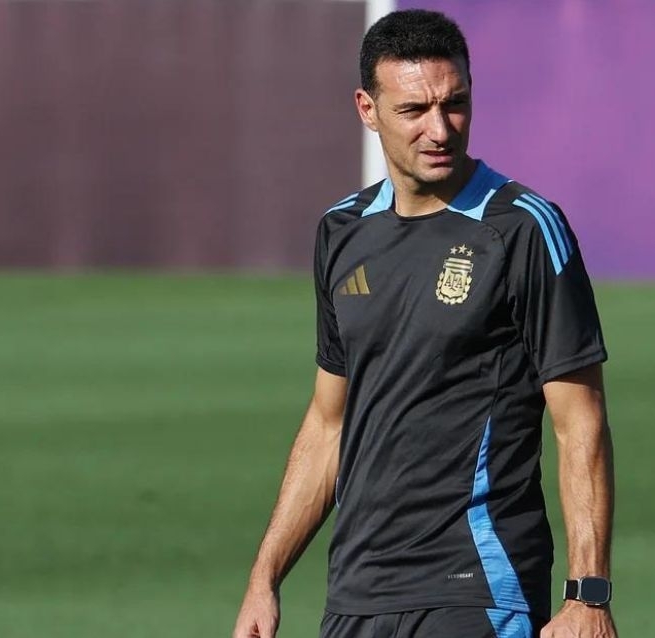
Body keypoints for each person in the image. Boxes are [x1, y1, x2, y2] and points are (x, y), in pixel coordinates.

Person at [233, 9, 617, 638]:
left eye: (455, 104)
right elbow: (330, 423)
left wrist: (588, 595)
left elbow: (581, 421)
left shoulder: (522, 228)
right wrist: (264, 577)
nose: (439, 129)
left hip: (477, 586)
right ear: (368, 109)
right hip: (356, 593)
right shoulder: (341, 231)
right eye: (414, 110)